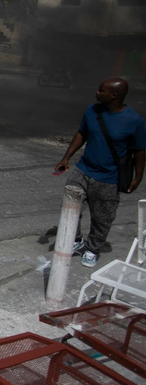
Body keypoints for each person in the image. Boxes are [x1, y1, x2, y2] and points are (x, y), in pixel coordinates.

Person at [56, 78, 146, 268]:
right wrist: (66, 158)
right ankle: (75, 239)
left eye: (101, 90)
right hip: (83, 170)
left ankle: (92, 248)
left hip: (109, 179)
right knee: (70, 207)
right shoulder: (92, 111)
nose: (97, 93)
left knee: (102, 218)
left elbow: (139, 150)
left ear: (114, 95)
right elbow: (81, 134)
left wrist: (138, 177)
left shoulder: (134, 121)